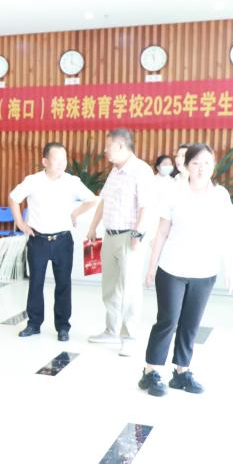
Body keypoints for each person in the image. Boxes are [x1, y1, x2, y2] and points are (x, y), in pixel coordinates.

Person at [137, 143, 233, 397]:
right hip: (172, 268)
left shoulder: (220, 195)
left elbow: (225, 233)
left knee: (191, 323)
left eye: (206, 163)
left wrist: (230, 268)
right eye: (196, 163)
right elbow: (161, 232)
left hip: (205, 270)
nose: (201, 168)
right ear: (187, 166)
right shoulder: (174, 192)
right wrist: (151, 267)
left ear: (214, 166)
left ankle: (182, 372)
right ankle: (151, 371)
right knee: (168, 320)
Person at [9, 142, 98, 341]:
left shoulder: (72, 182)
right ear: (45, 161)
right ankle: (34, 324)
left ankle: (63, 327)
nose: (61, 164)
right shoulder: (33, 181)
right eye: (56, 160)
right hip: (38, 240)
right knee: (36, 283)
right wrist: (20, 223)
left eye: (64, 160)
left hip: (63, 241)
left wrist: (75, 213)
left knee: (63, 284)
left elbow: (92, 200)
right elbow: (14, 198)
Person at [85, 127, 156, 357]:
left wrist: (138, 234)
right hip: (110, 235)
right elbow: (104, 201)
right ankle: (111, 330)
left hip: (129, 237)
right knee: (110, 286)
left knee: (129, 289)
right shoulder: (115, 172)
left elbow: (146, 206)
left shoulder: (141, 171)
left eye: (108, 147)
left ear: (121, 146)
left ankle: (129, 337)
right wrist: (93, 226)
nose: (105, 151)